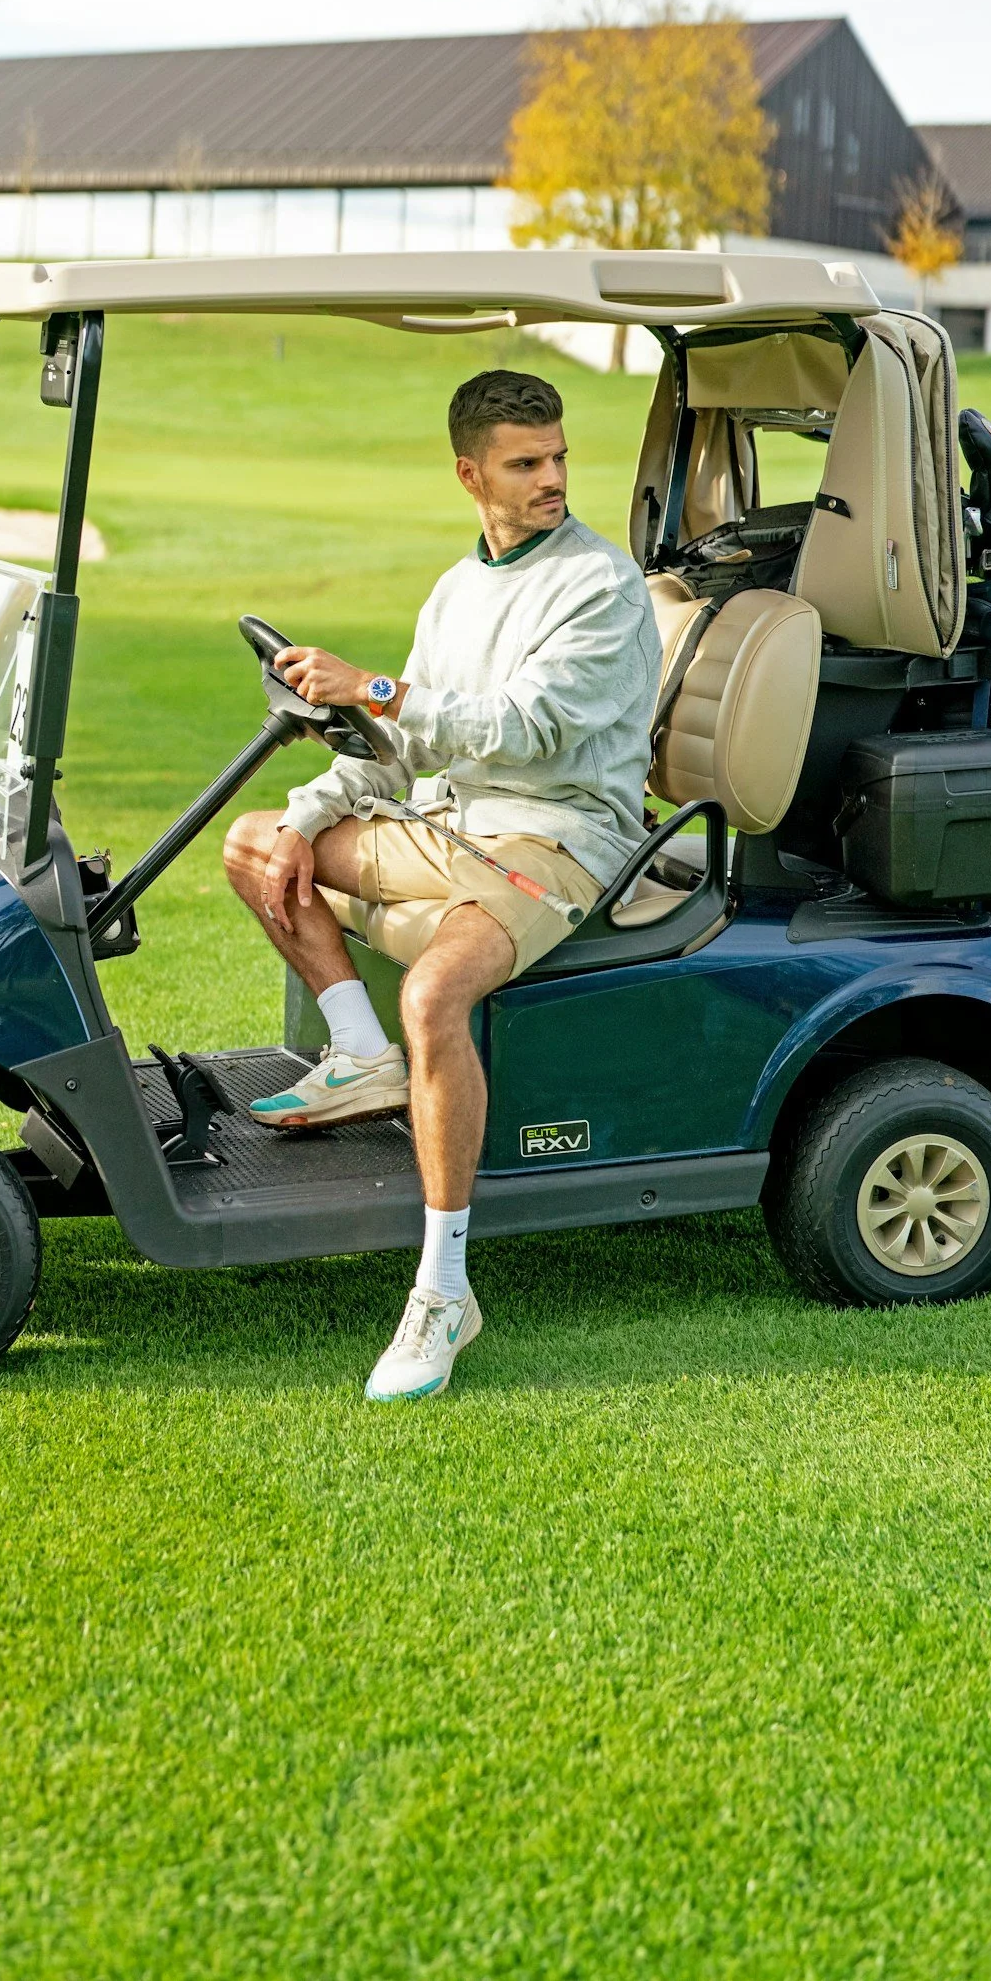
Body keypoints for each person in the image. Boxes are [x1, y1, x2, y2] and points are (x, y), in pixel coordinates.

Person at [223, 368, 661, 1402]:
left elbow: (525, 728)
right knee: (255, 843)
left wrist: (371, 685)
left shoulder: (599, 586)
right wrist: (308, 810)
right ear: (470, 473)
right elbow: (393, 751)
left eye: (556, 457)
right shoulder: (456, 589)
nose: (550, 478)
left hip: (559, 843)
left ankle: (442, 1288)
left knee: (433, 991)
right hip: (455, 829)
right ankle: (364, 1058)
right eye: (525, 463)